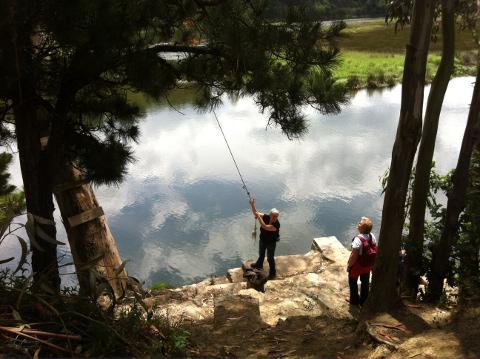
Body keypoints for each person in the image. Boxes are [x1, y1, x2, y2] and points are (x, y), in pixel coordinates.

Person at [347, 216, 377, 306]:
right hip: (368, 265)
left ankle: (354, 301)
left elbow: (354, 255)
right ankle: (363, 301)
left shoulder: (358, 239)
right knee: (365, 282)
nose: (358, 224)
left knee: (352, 281)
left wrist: (349, 266)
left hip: (358, 265)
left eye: (360, 223)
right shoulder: (372, 236)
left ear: (363, 228)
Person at [249, 198, 280, 280]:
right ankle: (259, 265)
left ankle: (272, 273)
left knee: (270, 258)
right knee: (261, 253)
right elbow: (256, 213)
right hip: (263, 239)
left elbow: (265, 227)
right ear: (270, 215)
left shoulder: (277, 225)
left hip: (271, 243)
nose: (274, 218)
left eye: (276, 216)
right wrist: (252, 204)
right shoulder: (266, 217)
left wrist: (258, 217)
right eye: (273, 216)